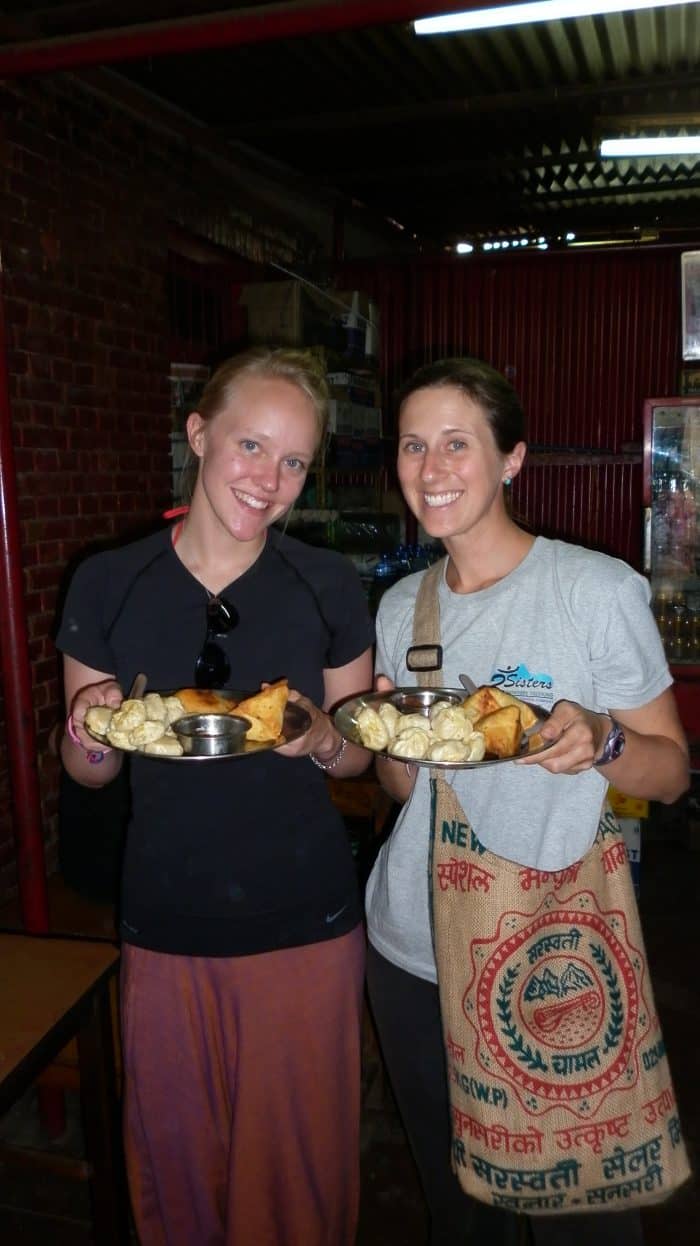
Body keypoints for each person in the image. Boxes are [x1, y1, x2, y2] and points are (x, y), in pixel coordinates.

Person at [364, 357, 689, 1246]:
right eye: (413, 445)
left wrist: (604, 742)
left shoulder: (594, 590)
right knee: (459, 1212)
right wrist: (387, 741)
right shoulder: (401, 607)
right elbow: (405, 793)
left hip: (550, 960)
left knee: (584, 1215)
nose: (431, 469)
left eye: (457, 444)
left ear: (513, 460)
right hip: (413, 951)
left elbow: (672, 772)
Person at [56, 346, 374, 1246]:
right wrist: (86, 727)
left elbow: (354, 757)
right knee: (177, 1184)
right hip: (165, 922)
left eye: (293, 462)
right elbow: (93, 771)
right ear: (198, 435)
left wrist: (320, 735)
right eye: (249, 446)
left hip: (304, 925)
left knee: (298, 1190)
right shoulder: (109, 583)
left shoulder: (329, 583)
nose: (268, 481)